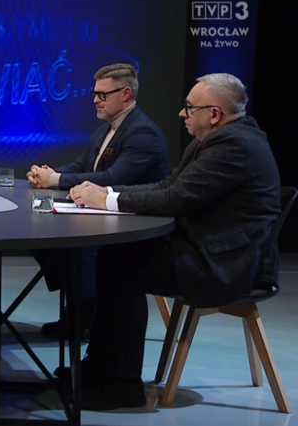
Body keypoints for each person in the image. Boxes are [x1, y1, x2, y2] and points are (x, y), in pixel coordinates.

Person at [63, 73, 281, 410]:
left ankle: (120, 385)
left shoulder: (234, 145)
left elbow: (177, 199)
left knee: (121, 266)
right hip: (205, 247)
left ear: (214, 114)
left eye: (189, 107)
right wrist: (108, 192)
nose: (182, 113)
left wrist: (106, 201)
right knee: (115, 257)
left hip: (224, 264)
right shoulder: (216, 139)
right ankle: (98, 370)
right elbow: (168, 186)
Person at [26, 63, 168, 340]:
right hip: (103, 215)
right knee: (41, 234)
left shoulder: (143, 133)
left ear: (125, 94)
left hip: (134, 224)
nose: (95, 100)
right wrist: (48, 174)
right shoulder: (106, 129)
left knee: (75, 245)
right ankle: (78, 310)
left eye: (102, 94)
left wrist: (55, 180)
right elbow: (82, 165)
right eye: (94, 94)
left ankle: (86, 317)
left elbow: (112, 178)